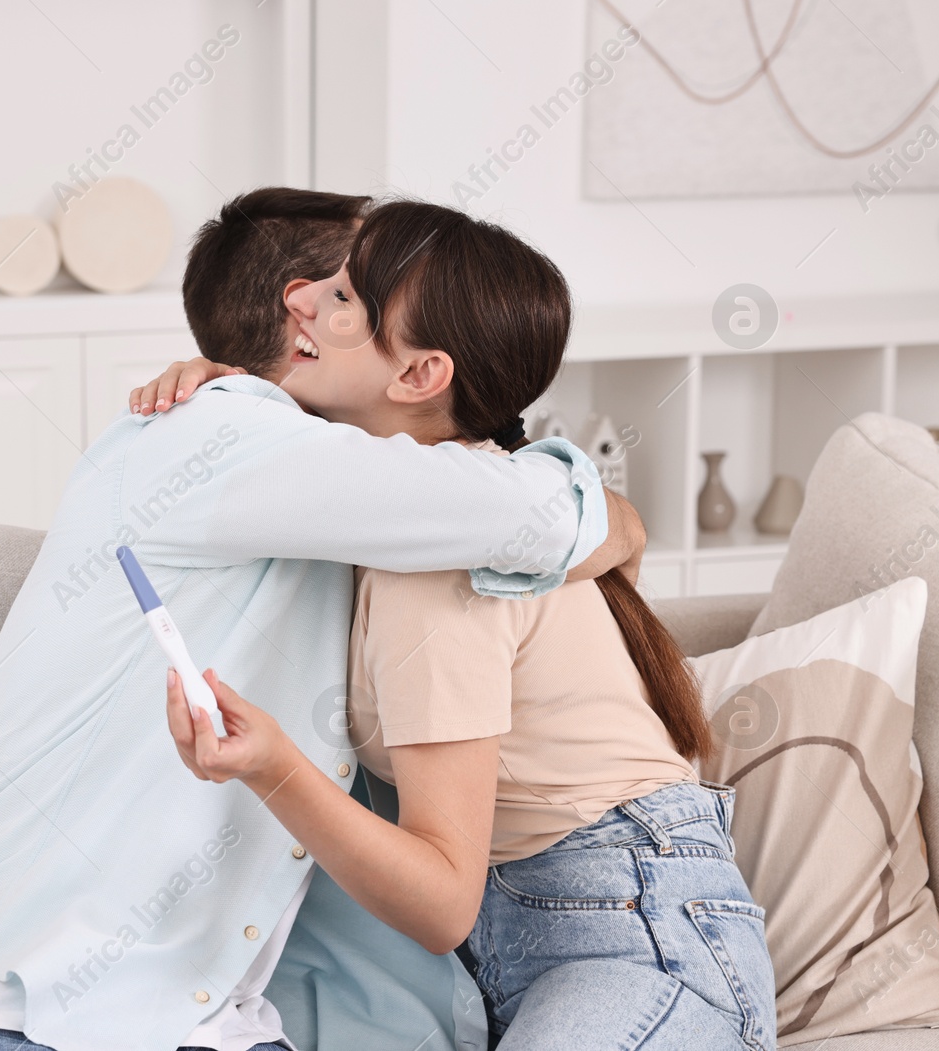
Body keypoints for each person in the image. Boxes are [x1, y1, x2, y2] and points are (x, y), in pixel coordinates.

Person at [0, 189, 640, 1051]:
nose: (319, 302)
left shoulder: (325, 492)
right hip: (15, 1003)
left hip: (206, 1022)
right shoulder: (215, 436)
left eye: (354, 291)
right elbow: (557, 515)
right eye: (336, 286)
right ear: (299, 317)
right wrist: (618, 518)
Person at [155, 200, 776, 1050]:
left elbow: (442, 904)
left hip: (637, 941)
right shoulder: (428, 508)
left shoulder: (443, 552)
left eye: (341, 300)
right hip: (530, 953)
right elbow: (616, 532)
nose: (302, 301)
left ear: (418, 376)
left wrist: (270, 767)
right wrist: (223, 389)